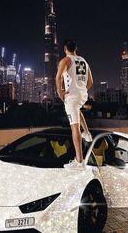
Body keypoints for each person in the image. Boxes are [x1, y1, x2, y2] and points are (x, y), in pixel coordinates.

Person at [56, 39, 93, 169]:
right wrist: (81, 90)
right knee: (77, 110)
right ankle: (87, 133)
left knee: (74, 128)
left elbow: (58, 77)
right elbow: (91, 82)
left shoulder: (65, 60)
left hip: (72, 96)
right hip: (82, 95)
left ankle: (79, 162)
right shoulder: (84, 61)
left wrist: (60, 93)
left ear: (65, 49)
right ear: (75, 48)